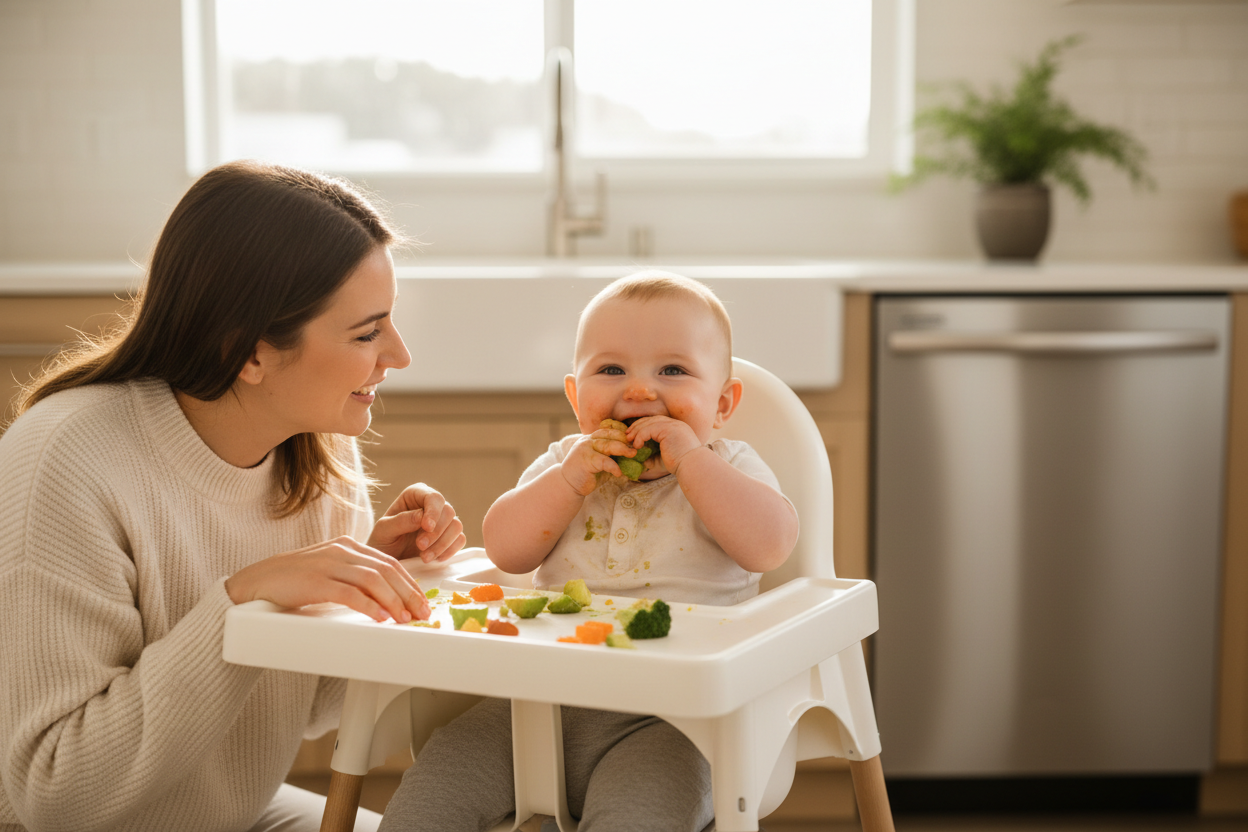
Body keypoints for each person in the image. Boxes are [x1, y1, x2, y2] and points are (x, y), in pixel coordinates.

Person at [0, 160, 465, 832]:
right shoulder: (66, 460)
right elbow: (56, 791)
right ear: (247, 354)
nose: (399, 354)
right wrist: (244, 602)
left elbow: (306, 705)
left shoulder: (318, 458)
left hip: (226, 813)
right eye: (368, 332)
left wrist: (374, 580)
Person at [378, 271, 799, 832]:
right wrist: (568, 480)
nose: (641, 390)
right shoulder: (566, 465)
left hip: (672, 723)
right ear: (577, 397)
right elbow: (506, 548)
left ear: (721, 405)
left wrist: (693, 462)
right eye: (611, 370)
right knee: (431, 793)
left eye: (672, 370)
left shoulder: (729, 466)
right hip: (531, 706)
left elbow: (770, 545)